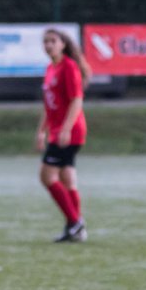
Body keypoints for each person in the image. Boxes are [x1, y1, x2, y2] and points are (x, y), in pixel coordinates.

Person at [37, 28, 90, 242]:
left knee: (47, 176)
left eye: (53, 41)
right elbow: (50, 105)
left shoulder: (68, 67)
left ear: (63, 44)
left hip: (69, 132)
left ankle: (75, 223)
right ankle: (75, 228)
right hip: (58, 132)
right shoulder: (51, 68)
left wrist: (66, 128)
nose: (48, 45)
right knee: (67, 179)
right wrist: (41, 130)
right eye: (45, 41)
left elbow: (76, 100)